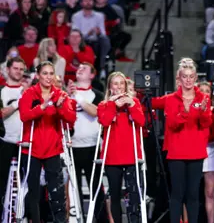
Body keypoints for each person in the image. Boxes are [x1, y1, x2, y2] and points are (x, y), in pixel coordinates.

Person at [151, 58, 212, 223]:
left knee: (193, 194)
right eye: (185, 76)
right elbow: (172, 124)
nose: (188, 80)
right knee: (177, 194)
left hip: (196, 152)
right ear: (179, 78)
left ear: (195, 78)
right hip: (177, 152)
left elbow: (206, 124)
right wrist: (185, 112)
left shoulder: (203, 97)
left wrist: (205, 111)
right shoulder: (170, 99)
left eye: (191, 76)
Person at [19, 61, 76, 223]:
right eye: (45, 73)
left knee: (57, 191)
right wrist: (42, 107)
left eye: (51, 73)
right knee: (34, 191)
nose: (48, 77)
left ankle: (60, 221)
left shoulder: (61, 94)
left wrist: (60, 108)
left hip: (53, 148)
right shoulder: (29, 94)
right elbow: (24, 116)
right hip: (32, 148)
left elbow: (71, 119)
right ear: (38, 75)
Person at [97, 71, 145, 223]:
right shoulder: (103, 105)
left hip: (131, 156)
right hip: (113, 157)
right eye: (115, 83)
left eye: (121, 83)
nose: (118, 86)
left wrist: (131, 105)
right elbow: (105, 122)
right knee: (115, 195)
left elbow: (141, 121)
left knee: (133, 195)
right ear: (110, 87)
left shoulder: (134, 102)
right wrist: (113, 104)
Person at [67, 62, 109, 222]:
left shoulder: (97, 95)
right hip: (72, 148)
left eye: (84, 68)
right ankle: (76, 219)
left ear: (92, 75)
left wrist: (77, 96)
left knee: (96, 189)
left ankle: (100, 220)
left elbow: (95, 113)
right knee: (73, 190)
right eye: (78, 68)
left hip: (92, 148)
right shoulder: (66, 94)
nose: (80, 70)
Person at [0, 57, 26, 204]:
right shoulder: (1, 91)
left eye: (22, 69)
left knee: (28, 183)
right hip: (5, 141)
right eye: (16, 68)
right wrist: (18, 102)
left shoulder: (30, 91)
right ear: (8, 69)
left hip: (26, 143)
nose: (19, 72)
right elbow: (1, 113)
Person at [198, 81, 214, 223]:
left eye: (207, 90)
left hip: (210, 151)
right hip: (193, 150)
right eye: (202, 90)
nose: (205, 93)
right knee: (190, 193)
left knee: (210, 192)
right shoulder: (190, 108)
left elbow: (213, 135)